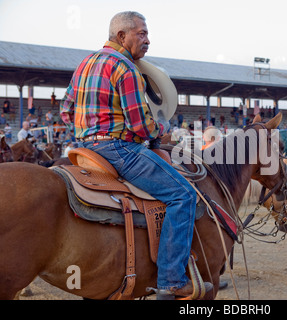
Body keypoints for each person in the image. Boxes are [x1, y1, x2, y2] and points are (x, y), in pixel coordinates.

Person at [60, 11, 211, 299]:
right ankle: (171, 279)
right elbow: (140, 127)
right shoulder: (125, 68)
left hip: (84, 149)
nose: (147, 40)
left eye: (146, 33)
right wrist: (163, 127)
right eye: (141, 33)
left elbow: (65, 112)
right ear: (121, 36)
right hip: (118, 150)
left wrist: (88, 130)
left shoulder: (85, 64)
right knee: (183, 196)